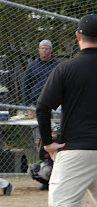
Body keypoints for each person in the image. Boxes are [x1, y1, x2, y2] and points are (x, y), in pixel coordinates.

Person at [36, 14, 97, 206]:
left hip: (76, 149)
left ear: (78, 36)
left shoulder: (65, 69)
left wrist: (47, 142)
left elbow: (42, 107)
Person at [23, 40, 60, 107]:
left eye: (46, 48)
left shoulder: (58, 65)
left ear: (51, 50)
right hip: (36, 101)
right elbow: (26, 86)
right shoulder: (32, 66)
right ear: (39, 50)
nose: (44, 50)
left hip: (55, 101)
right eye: (42, 48)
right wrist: (28, 104)